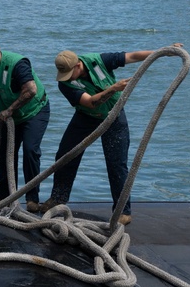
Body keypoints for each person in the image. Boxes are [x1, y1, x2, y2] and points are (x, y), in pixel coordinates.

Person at [43, 45, 181, 225]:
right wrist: (114, 88)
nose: (67, 79)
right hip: (86, 116)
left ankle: (123, 210)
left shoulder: (98, 60)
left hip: (114, 116)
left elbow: (132, 56)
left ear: (78, 65)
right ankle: (58, 198)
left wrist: (163, 52)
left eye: (70, 74)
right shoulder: (65, 84)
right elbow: (90, 103)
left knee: (117, 164)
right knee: (65, 155)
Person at [0, 36, 50, 211]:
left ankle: (32, 198)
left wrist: (10, 110)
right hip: (7, 119)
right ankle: (5, 196)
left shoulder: (17, 64)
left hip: (34, 112)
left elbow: (31, 90)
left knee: (30, 150)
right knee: (4, 152)